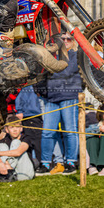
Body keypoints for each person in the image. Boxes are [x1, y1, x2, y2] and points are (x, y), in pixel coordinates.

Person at [35, 33, 82, 175]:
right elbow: (40, 76)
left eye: (69, 39)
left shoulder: (76, 55)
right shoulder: (51, 56)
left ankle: (71, 162)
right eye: (62, 39)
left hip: (69, 96)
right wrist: (41, 90)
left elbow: (65, 71)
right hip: (51, 98)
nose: (65, 41)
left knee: (70, 131)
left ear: (73, 42)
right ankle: (45, 163)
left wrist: (50, 72)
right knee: (47, 132)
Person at [0, 115, 34, 182]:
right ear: (7, 130)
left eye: (17, 127)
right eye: (12, 127)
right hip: (8, 170)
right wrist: (1, 163)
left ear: (21, 128)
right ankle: (8, 175)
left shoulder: (26, 138)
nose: (15, 130)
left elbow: (18, 152)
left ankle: (4, 174)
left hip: (23, 172)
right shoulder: (5, 140)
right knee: (1, 146)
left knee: (16, 142)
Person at [14, 85, 43, 167]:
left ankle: (35, 164)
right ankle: (37, 164)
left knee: (35, 141)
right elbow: (19, 99)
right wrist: (19, 111)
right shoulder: (28, 87)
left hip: (34, 116)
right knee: (34, 142)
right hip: (31, 116)